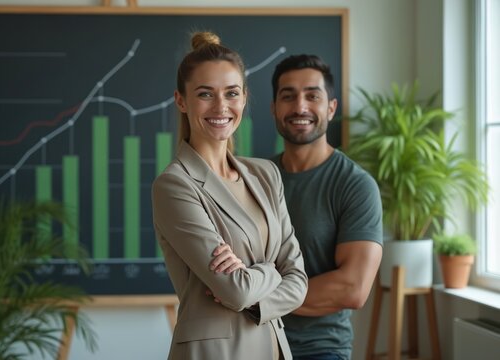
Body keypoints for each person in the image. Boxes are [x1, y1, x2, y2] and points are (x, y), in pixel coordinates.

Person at [152, 31, 308, 360]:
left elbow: (300, 282)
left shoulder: (266, 174)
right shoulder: (175, 185)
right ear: (181, 100)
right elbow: (234, 291)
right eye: (205, 94)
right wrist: (273, 270)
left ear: (244, 98)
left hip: (274, 349)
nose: (221, 107)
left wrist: (257, 279)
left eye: (232, 93)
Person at [269, 54, 383, 360]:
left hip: (318, 351)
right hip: (250, 344)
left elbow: (352, 288)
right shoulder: (254, 179)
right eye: (288, 96)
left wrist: (255, 299)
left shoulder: (355, 185)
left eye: (312, 96)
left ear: (330, 108)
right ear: (274, 108)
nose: (300, 107)